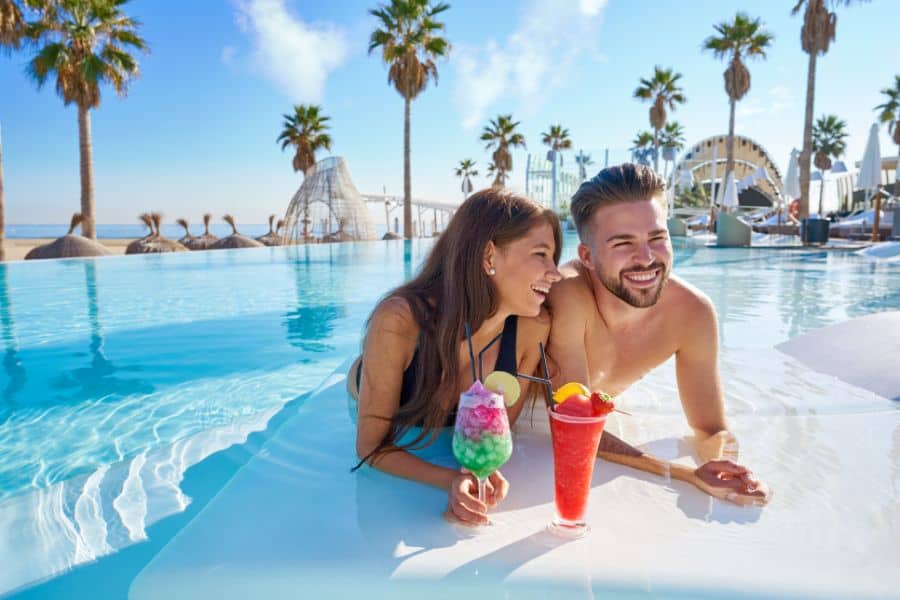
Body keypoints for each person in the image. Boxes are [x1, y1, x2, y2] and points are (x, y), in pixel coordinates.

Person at [547, 163, 769, 505]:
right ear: (587, 257)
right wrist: (682, 474)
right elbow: (574, 425)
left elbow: (710, 428)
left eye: (657, 238)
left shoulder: (692, 312)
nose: (647, 258)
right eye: (623, 243)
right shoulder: (568, 295)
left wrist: (720, 465)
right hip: (533, 430)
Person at [349, 188, 563, 525]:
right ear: (489, 256)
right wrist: (449, 480)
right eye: (541, 254)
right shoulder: (400, 322)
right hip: (369, 399)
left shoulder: (532, 328)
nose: (555, 272)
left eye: (554, 257)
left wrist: (478, 474)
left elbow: (496, 438)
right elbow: (370, 447)